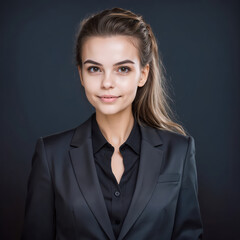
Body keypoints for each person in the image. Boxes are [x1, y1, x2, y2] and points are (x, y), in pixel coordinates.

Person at [21, 7, 203, 240]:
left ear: (143, 74)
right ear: (81, 75)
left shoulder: (179, 151)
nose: (107, 82)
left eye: (123, 69)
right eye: (95, 69)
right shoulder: (51, 155)